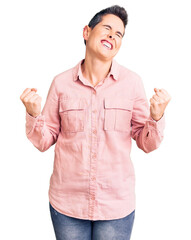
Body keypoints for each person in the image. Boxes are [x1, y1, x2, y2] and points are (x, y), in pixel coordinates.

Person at [20, 5, 171, 240]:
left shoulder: (132, 83)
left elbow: (147, 144)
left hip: (115, 206)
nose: (113, 35)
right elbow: (44, 140)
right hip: (67, 204)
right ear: (86, 32)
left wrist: (157, 117)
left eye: (119, 34)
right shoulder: (61, 83)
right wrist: (33, 114)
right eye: (107, 28)